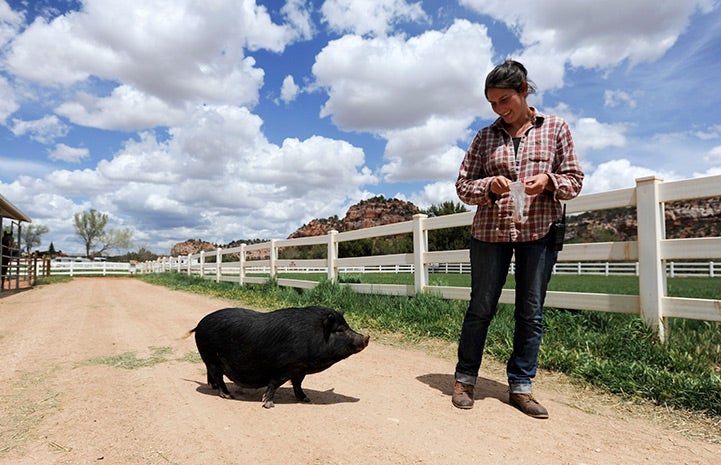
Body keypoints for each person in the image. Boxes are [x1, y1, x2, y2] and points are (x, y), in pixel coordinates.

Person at [452, 59, 584, 419]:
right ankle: (465, 379)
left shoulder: (556, 128)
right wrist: (488, 186)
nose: (499, 109)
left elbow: (574, 179)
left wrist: (549, 182)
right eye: (493, 103)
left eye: (505, 99)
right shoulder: (484, 137)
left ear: (524, 90)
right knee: (480, 307)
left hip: (538, 232)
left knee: (531, 311)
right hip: (489, 233)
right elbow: (463, 186)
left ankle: (521, 386)